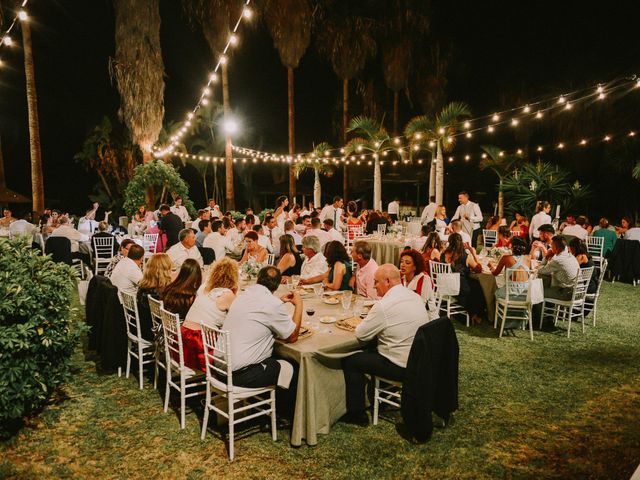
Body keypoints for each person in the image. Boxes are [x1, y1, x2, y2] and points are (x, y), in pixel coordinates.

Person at [341, 264, 429, 426]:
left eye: (376, 282)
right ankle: (382, 397)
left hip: (401, 366)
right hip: (421, 360)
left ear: (387, 282)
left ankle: (357, 413)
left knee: (351, 361)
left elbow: (361, 334)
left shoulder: (383, 306)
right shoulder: (414, 296)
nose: (374, 286)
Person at [222, 266, 301, 412]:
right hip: (240, 375)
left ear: (258, 278)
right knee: (294, 369)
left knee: (275, 357)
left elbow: (260, 309)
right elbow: (292, 336)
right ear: (277, 286)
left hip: (220, 368)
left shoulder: (243, 296)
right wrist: (299, 305)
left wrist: (278, 301)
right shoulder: (272, 304)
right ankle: (285, 414)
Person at [181, 258, 238, 372]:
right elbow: (238, 316)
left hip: (183, 337)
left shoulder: (203, 288)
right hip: (200, 342)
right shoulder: (227, 294)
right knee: (234, 341)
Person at [441, 233, 485, 325]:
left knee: (474, 285)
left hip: (444, 284)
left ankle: (471, 313)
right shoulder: (464, 256)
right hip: (458, 286)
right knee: (478, 288)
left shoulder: (443, 254)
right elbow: (479, 269)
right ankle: (474, 314)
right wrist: (473, 252)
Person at [136, 253, 173, 340]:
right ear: (165, 270)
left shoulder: (144, 286)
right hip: (154, 332)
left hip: (142, 327)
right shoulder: (160, 293)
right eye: (172, 269)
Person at [537, 235, 580, 301]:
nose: (550, 248)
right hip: (578, 292)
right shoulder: (570, 255)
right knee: (550, 282)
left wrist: (546, 257)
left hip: (568, 293)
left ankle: (541, 311)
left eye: (552, 246)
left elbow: (541, 271)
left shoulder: (557, 260)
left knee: (538, 292)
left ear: (557, 248)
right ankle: (551, 309)